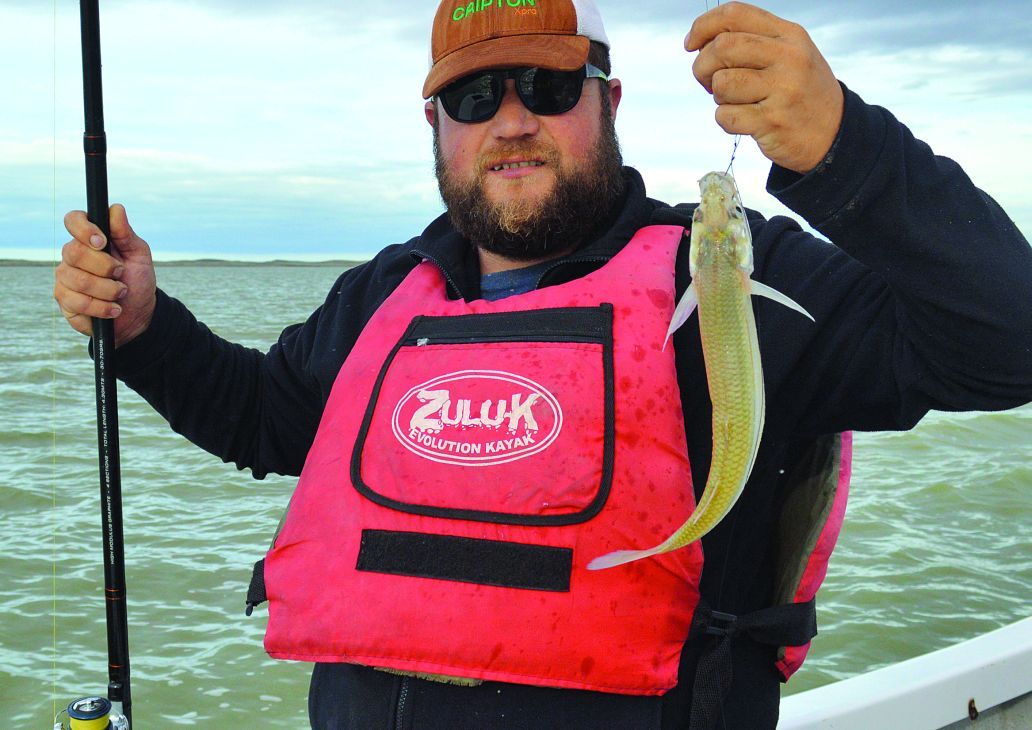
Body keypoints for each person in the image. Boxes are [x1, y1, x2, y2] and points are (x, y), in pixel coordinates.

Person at [54, 1, 1032, 728]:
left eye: (551, 87)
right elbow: (263, 418)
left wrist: (845, 147)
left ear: (610, 101)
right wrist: (144, 328)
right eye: (475, 95)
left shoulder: (731, 272)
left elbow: (1008, 340)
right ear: (435, 125)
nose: (513, 120)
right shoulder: (388, 293)